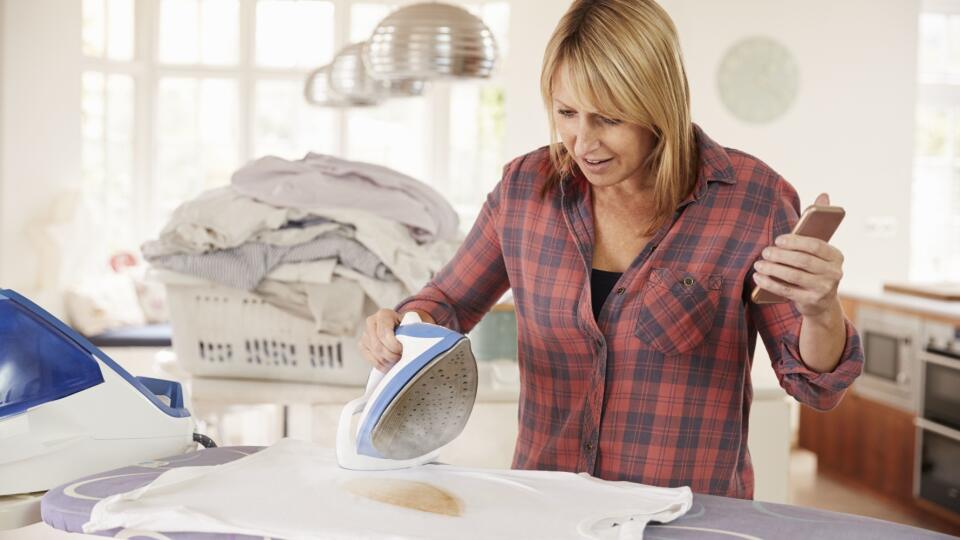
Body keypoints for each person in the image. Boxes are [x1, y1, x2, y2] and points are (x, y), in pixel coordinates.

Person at [359, 0, 863, 499]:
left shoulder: (752, 200)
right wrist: (401, 325)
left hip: (685, 522)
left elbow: (815, 388)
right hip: (546, 510)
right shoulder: (524, 191)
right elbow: (447, 302)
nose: (583, 142)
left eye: (609, 119)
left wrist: (820, 309)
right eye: (566, 113)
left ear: (658, 105)